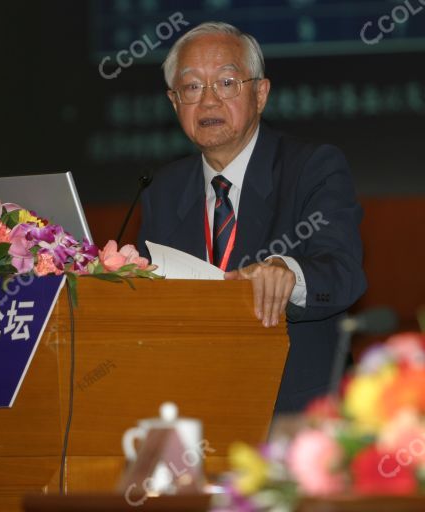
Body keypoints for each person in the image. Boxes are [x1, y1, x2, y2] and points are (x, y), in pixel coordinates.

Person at [136, 21, 367, 413]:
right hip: (192, 405)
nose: (208, 101)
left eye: (226, 83)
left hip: (291, 413)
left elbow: (344, 274)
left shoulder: (312, 167)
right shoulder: (162, 188)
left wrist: (288, 274)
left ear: (260, 93)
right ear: (175, 102)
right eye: (192, 87)